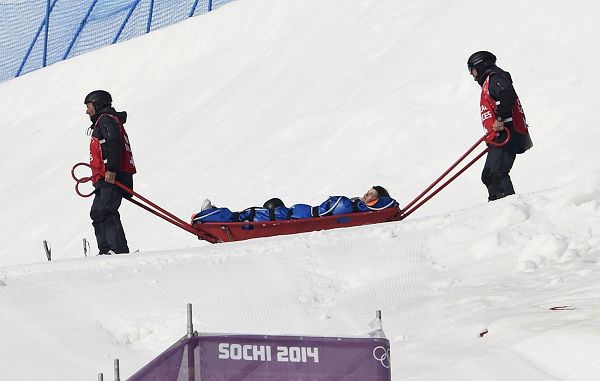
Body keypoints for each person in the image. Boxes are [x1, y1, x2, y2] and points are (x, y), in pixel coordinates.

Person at [467, 51, 532, 201]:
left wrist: (501, 118)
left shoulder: (495, 78)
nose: (471, 74)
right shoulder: (488, 82)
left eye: (472, 69)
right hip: (499, 136)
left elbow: (508, 95)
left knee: (498, 172)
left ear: (481, 65)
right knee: (488, 175)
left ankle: (509, 207)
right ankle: (497, 205)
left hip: (508, 133)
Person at [85, 90, 136, 255]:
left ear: (97, 104)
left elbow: (114, 142)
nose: (87, 111)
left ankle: (118, 251)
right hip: (103, 176)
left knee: (107, 210)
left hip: (112, 175)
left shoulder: (106, 119)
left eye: (89, 106)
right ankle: (105, 250)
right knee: (97, 212)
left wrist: (112, 170)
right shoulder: (102, 120)